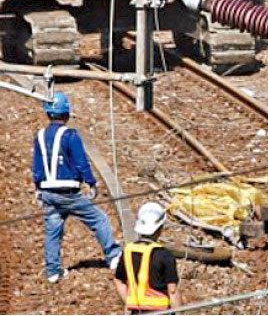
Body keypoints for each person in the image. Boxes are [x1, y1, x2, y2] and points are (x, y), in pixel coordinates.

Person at [32, 92, 122, 283]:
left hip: (48, 192)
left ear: (48, 113)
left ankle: (53, 272)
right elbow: (81, 162)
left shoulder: (39, 136)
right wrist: (90, 182)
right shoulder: (70, 135)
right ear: (66, 113)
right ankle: (114, 256)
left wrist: (38, 188)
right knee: (99, 219)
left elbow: (37, 167)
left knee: (52, 231)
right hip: (69, 192)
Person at [114, 202, 180, 313]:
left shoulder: (127, 251)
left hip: (136, 311)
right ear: (160, 227)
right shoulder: (165, 255)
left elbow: (118, 280)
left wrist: (128, 302)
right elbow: (172, 291)